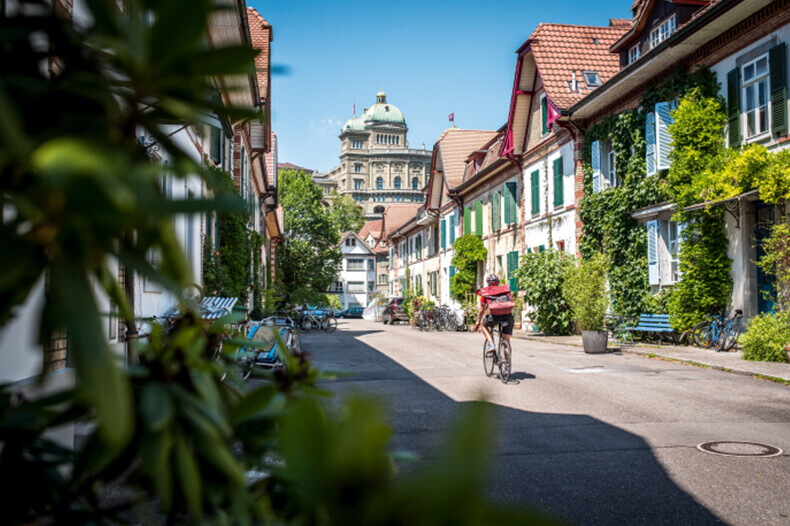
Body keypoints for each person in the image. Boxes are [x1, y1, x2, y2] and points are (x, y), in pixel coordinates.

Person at [474, 274, 515, 355]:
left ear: (488, 283)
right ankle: (507, 366)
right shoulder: (505, 289)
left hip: (495, 317)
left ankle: (491, 344)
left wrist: (478, 321)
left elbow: (482, 309)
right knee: (506, 340)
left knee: (483, 324)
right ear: (498, 282)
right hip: (508, 316)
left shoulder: (486, 292)